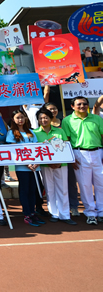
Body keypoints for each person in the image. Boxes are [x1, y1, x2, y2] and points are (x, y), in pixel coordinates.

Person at [62, 96, 103, 225]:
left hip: (98, 152)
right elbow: (66, 141)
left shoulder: (96, 118)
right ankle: (90, 213)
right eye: (79, 104)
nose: (82, 106)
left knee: (101, 184)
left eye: (84, 104)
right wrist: (71, 158)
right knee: (85, 185)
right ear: (72, 106)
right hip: (79, 153)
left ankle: (101, 212)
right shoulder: (67, 120)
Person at [34, 108, 77, 225]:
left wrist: (59, 161)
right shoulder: (35, 133)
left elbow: (65, 147)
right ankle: (54, 213)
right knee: (49, 189)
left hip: (61, 164)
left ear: (50, 118)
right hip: (45, 166)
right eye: (41, 118)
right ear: (37, 120)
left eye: (46, 117)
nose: (44, 120)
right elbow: (35, 151)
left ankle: (65, 214)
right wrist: (49, 162)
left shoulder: (60, 131)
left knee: (63, 189)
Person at [6, 110, 44, 227]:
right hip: (22, 167)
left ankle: (33, 213)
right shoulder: (11, 133)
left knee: (33, 190)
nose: (20, 120)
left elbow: (36, 148)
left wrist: (36, 163)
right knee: (24, 190)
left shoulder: (31, 132)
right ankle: (27, 214)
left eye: (22, 117)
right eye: (17, 118)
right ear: (13, 119)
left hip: (34, 168)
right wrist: (27, 163)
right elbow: (13, 150)